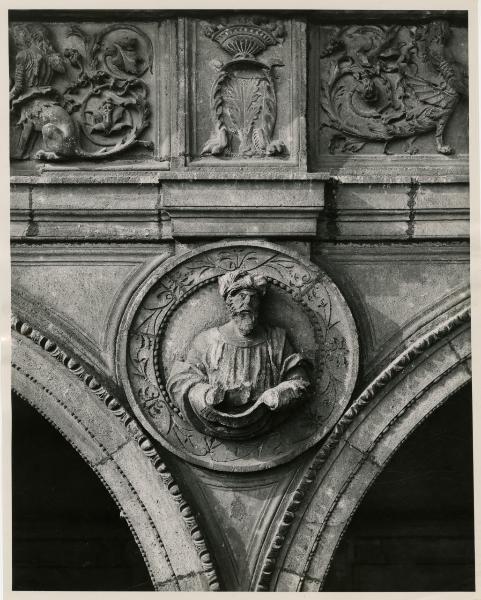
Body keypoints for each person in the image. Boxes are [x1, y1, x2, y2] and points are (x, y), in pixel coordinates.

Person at [167, 269, 310, 436]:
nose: (247, 303)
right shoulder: (206, 341)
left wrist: (278, 394)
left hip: (266, 419)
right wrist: (207, 394)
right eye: (241, 297)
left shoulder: (277, 339)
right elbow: (181, 381)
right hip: (216, 420)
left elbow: (300, 381)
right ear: (229, 302)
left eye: (253, 298)